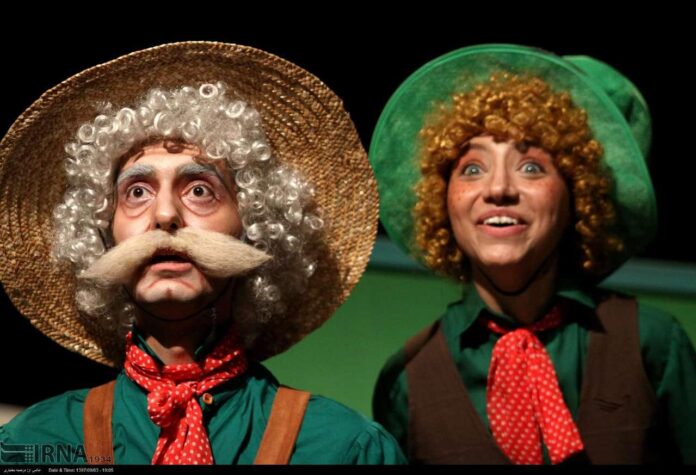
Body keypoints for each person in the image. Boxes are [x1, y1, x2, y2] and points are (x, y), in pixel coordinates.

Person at [0, 41, 405, 465]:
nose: (165, 215)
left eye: (199, 190)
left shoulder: (343, 449)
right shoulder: (36, 444)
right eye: (136, 192)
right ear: (103, 235)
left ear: (256, 228)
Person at [369, 44, 696, 464]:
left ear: (578, 194)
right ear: (441, 199)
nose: (499, 189)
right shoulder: (406, 379)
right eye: (472, 168)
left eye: (531, 168)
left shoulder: (653, 344)